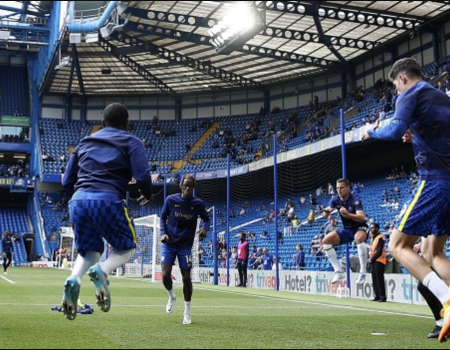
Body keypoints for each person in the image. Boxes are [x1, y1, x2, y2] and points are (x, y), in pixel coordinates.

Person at [362, 58, 450, 343]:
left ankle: (448, 303)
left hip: (437, 180)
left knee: (399, 245)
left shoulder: (409, 93)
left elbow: (394, 129)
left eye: (394, 87)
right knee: (433, 252)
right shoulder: (439, 95)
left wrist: (370, 131)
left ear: (401, 79)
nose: (396, 92)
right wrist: (419, 136)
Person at [61, 103, 153, 321]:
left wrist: (83, 192)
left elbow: (66, 180)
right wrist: (147, 193)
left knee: (89, 251)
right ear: (127, 124)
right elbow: (143, 176)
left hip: (78, 202)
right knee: (128, 246)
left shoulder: (85, 141)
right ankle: (103, 270)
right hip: (108, 200)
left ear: (102, 123)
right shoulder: (131, 140)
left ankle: (75, 277)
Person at [160, 175, 210, 325]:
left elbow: (206, 219)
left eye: (190, 186)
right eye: (185, 185)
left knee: (186, 278)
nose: (188, 188)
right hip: (169, 244)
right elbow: (163, 217)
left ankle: (187, 312)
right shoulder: (171, 200)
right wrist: (163, 232)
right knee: (165, 275)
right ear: (181, 186)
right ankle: (171, 296)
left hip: (185, 247)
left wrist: (204, 229)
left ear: (193, 187)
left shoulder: (198, 204)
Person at [323, 178, 369, 285]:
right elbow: (326, 215)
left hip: (359, 227)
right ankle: (338, 271)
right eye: (338, 188)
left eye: (342, 188)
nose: (339, 190)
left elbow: (361, 217)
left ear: (348, 188)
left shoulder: (355, 200)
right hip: (346, 229)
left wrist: (348, 214)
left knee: (358, 239)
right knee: (326, 240)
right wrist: (326, 212)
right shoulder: (335, 200)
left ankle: (362, 272)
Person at [369, 223, 387, 302]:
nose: (371, 229)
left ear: (377, 228)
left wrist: (372, 258)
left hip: (379, 260)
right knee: (374, 279)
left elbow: (379, 251)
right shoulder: (373, 238)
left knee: (379, 279)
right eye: (371, 228)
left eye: (373, 228)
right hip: (374, 260)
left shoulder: (380, 237)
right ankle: (376, 295)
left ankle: (382, 296)